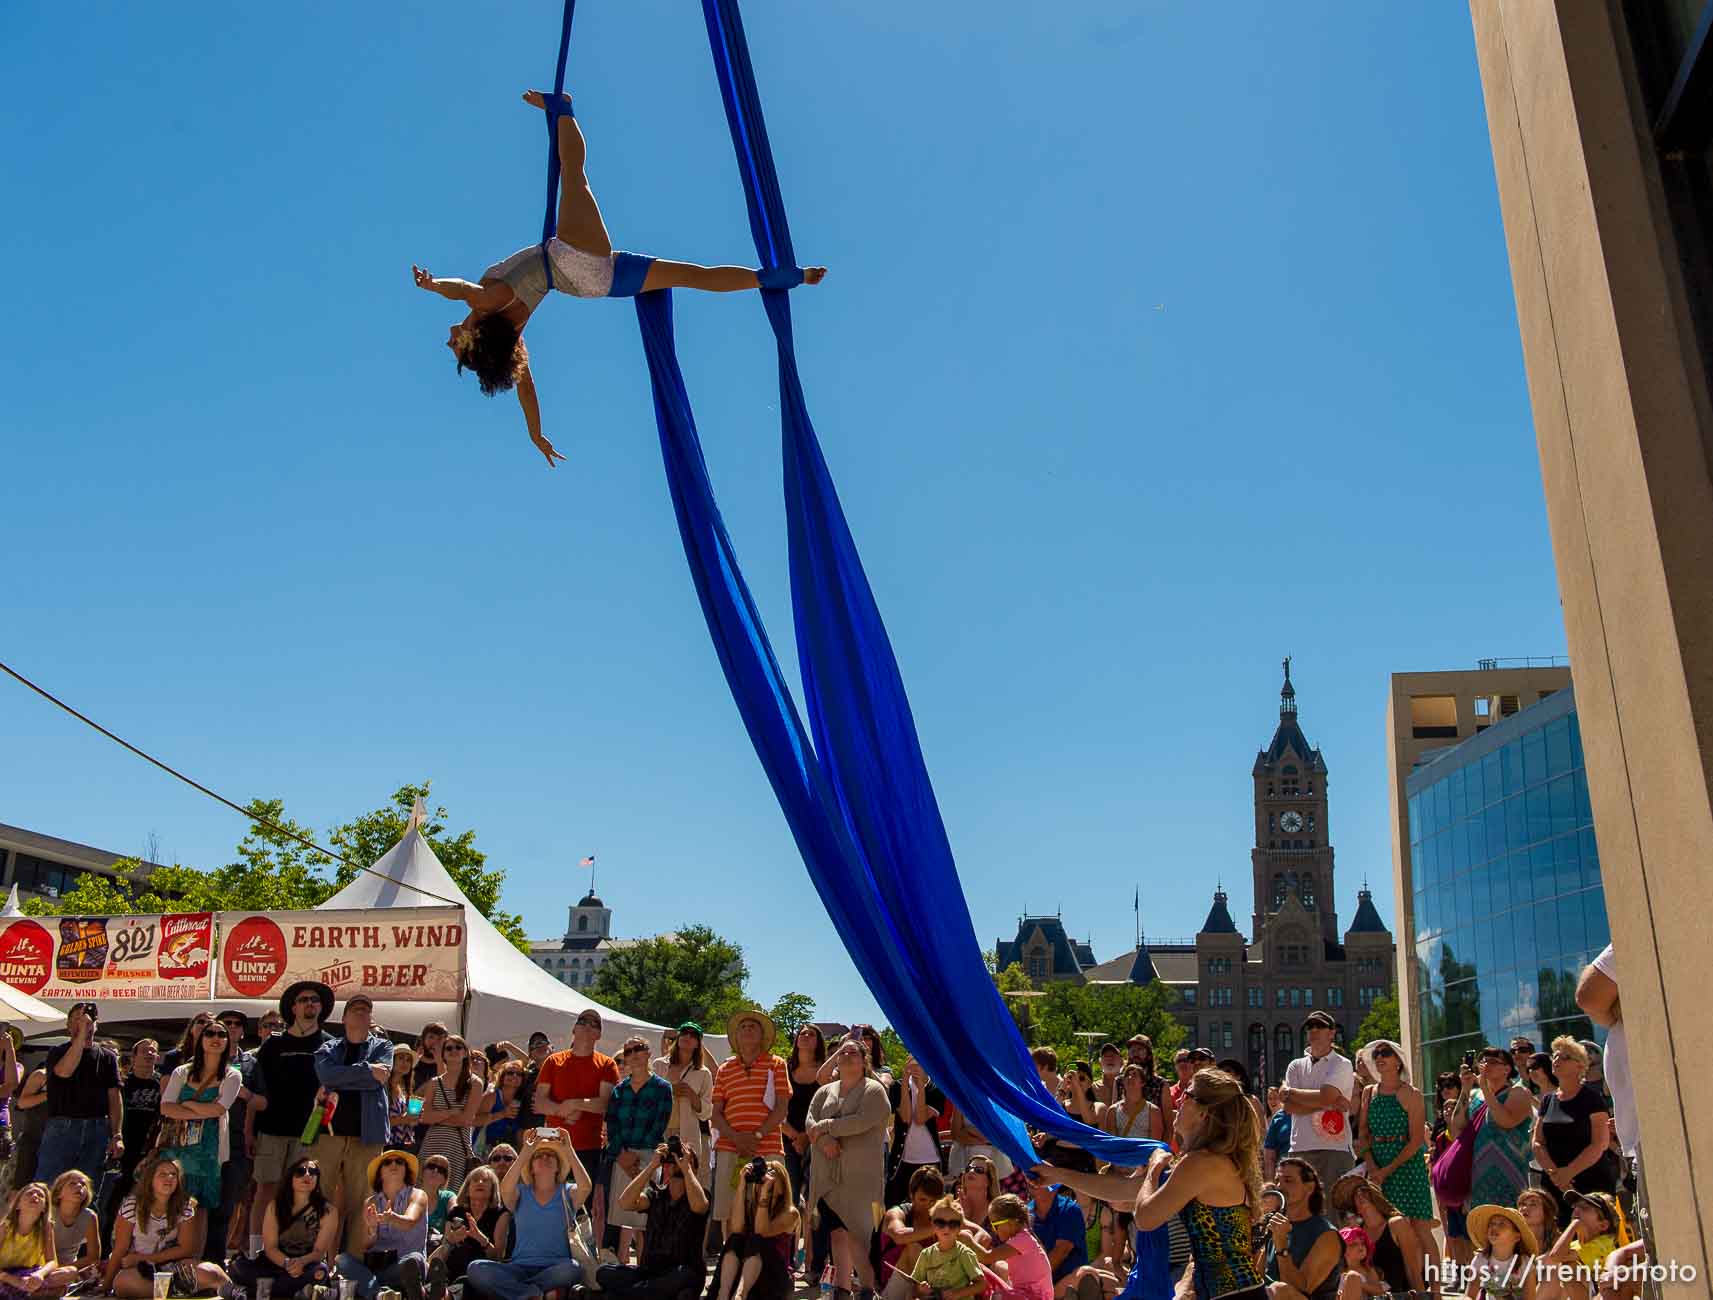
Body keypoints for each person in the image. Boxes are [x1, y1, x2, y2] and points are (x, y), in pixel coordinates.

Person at [412, 90, 828, 467]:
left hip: (592, 285)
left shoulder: (512, 334)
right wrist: (433, 286)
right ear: (477, 337)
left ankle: (777, 278)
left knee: (692, 276)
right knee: (573, 172)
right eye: (456, 346)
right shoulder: (486, 304)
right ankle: (564, 107)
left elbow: (526, 390)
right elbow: (463, 290)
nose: (450, 340)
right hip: (574, 258)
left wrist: (535, 434)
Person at [1038, 1066, 1267, 1300]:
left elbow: (1146, 1218)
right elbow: (1123, 1190)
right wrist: (1058, 1175)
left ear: (1204, 1113)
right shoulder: (1203, 1163)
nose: (1178, 1101)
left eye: (1187, 1095)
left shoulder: (1202, 1163)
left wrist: (1153, 1169)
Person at [250, 980, 337, 1257]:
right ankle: (256, 1253)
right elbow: (256, 1092)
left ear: (321, 1007)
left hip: (311, 1133)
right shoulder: (273, 1044)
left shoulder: (330, 1045)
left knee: (307, 1195)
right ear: (293, 1006)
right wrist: (248, 1131)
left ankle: (303, 1253)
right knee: (266, 1191)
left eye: (314, 999)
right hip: (272, 1129)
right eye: (303, 999)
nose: (309, 1003)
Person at [805, 1036, 891, 1300]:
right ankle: (842, 1290)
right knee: (836, 1233)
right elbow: (810, 1120)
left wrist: (827, 1126)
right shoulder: (824, 1091)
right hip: (826, 1176)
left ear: (864, 1061)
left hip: (860, 1179)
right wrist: (824, 1139)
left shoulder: (874, 1089)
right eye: (843, 1052)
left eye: (854, 1052)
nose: (847, 1055)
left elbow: (864, 1121)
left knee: (858, 1234)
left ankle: (867, 1287)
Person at [313, 994, 399, 1255]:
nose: (362, 1012)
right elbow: (326, 1075)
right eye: (356, 1008)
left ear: (372, 1018)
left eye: (367, 1009)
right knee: (319, 1199)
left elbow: (378, 1080)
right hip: (328, 1133)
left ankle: (352, 1265)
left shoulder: (384, 1047)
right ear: (344, 1018)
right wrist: (366, 1071)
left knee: (362, 1203)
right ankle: (314, 1261)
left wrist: (345, 1077)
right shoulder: (329, 1048)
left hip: (367, 1135)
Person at [465, 1127, 591, 1300]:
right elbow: (505, 1188)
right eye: (538, 1156)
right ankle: (537, 1294)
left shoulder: (567, 1191)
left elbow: (586, 1187)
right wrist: (526, 1150)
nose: (544, 1158)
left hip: (555, 1267)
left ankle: (519, 1293)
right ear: (531, 1168)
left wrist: (568, 1149)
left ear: (558, 1167)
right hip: (518, 1267)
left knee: (573, 1269)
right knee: (476, 1268)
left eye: (550, 1155)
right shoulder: (520, 1192)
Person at [158, 1013, 243, 1253]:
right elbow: (165, 1107)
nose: (215, 1038)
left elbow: (220, 1108)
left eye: (221, 1034)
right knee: (175, 1204)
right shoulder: (182, 1072)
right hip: (178, 1149)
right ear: (199, 1038)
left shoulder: (232, 1075)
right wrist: (203, 1110)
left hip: (211, 1149)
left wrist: (187, 1107)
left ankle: (197, 1260)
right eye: (209, 1033)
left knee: (204, 1207)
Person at [535, 1010, 620, 1249]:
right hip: (554, 1147)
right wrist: (564, 1111)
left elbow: (604, 1103)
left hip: (589, 1148)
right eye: (582, 1021)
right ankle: (548, 1251)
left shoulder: (607, 1064)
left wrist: (574, 1104)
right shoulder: (553, 1061)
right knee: (550, 1202)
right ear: (573, 1029)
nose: (587, 1026)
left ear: (599, 1034)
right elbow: (540, 1102)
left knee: (587, 1209)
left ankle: (587, 1258)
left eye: (594, 1024)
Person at [713, 1010, 791, 1255]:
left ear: (762, 1035)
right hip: (729, 1147)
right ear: (736, 1035)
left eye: (753, 1026)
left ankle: (767, 1260)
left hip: (767, 1147)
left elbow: (781, 1108)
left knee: (769, 1206)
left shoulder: (776, 1064)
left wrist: (755, 1136)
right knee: (728, 1209)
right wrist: (736, 1138)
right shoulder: (725, 1068)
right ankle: (731, 1256)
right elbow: (716, 1113)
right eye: (743, 1026)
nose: (747, 1029)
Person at [104, 1154, 233, 1299]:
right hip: (139, 1270)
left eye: (173, 1174)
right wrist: (106, 1285)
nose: (169, 1178)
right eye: (163, 1174)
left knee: (211, 1273)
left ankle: (234, 1292)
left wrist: (146, 1258)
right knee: (122, 1283)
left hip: (172, 1267)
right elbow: (119, 1250)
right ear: (150, 1180)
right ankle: (180, 1291)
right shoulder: (132, 1206)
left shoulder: (185, 1207)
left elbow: (187, 1249)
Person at [1450, 1048, 1536, 1243]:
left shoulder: (1519, 1092)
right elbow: (1457, 1127)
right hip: (1479, 1176)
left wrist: (1485, 1089)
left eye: (1492, 1061)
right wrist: (1465, 1088)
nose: (1485, 1064)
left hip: (1512, 1174)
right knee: (1483, 1231)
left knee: (1513, 1228)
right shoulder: (1476, 1096)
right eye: (1482, 1060)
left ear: (1507, 1069)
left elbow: (1506, 1120)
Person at [1350, 1041, 1432, 1244]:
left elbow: (1415, 1141)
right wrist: (1372, 1167)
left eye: (1385, 1053)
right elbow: (1363, 1135)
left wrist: (1386, 1170)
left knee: (1420, 1228)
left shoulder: (1413, 1094)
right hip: (1377, 1164)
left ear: (1398, 1062)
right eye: (1376, 1054)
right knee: (1382, 1228)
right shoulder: (1369, 1093)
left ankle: (1433, 1276)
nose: (1379, 1057)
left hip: (1408, 1166)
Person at [34, 1003, 121, 1188]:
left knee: (88, 1189)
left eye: (88, 1021)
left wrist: (116, 1134)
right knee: (49, 1184)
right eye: (76, 1020)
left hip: (96, 1127)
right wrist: (81, 1034)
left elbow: (114, 1097)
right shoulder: (57, 1052)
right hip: (62, 1127)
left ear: (96, 1025)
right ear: (68, 1024)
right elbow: (65, 1071)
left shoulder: (107, 1057)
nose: (83, 1024)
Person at [605, 1037, 675, 1264]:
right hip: (621, 1155)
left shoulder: (663, 1088)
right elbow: (612, 1125)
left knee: (645, 1218)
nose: (633, 1054)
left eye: (638, 1049)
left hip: (648, 1156)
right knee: (623, 1217)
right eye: (628, 1051)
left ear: (648, 1053)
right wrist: (621, 1153)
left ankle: (646, 1266)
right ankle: (623, 1264)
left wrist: (637, 1157)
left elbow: (659, 1124)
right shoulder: (618, 1090)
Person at [229, 1158, 338, 1299]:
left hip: (306, 1264)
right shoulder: (275, 1206)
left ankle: (256, 1291)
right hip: (275, 1262)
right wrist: (288, 1264)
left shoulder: (328, 1211)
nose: (307, 1175)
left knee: (320, 1271)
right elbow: (270, 1248)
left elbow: (319, 1252)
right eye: (300, 1171)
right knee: (239, 1267)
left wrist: (300, 1263)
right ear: (290, 1178)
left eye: (312, 1172)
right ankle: (299, 1292)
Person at [1531, 1039, 1616, 1220]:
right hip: (1555, 1186)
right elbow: (1538, 1142)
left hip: (1590, 1182)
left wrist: (1568, 1173)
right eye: (1555, 1056)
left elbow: (1600, 1143)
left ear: (1580, 1066)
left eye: (1565, 1057)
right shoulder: (1547, 1101)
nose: (1556, 1060)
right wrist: (1556, 1175)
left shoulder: (1592, 1098)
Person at [336, 1148, 430, 1300]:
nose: (393, 1164)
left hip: (403, 1267)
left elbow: (409, 1222)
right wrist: (372, 1228)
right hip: (376, 1268)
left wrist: (391, 1217)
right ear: (380, 1174)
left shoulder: (418, 1195)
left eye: (399, 1162)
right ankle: (381, 1294)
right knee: (342, 1260)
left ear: (406, 1170)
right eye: (387, 1162)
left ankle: (373, 1290)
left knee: (415, 1259)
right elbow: (366, 1245)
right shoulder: (370, 1202)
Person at [1277, 1013, 1355, 1191]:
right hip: (1299, 1147)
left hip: (1334, 1149)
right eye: (1310, 1027)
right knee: (1299, 1213)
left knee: (1334, 1215)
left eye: (1319, 1026)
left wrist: (1290, 1092)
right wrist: (1329, 1102)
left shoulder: (1342, 1063)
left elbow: (1324, 1096)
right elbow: (1289, 1107)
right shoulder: (1295, 1065)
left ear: (1331, 1033)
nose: (1314, 1030)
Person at [711, 1155, 795, 1300]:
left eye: (772, 1175)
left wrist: (765, 1194)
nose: (765, 1180)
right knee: (735, 1239)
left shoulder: (790, 1213)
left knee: (758, 1240)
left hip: (775, 1277)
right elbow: (736, 1228)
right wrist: (742, 1184)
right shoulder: (752, 1206)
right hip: (750, 1275)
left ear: (783, 1187)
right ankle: (723, 1295)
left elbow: (761, 1231)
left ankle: (739, 1295)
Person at [1326, 1176, 1426, 1298]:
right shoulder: (1358, 1232)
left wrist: (1422, 1296)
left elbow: (1412, 1269)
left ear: (1374, 1195)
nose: (1360, 1196)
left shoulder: (1396, 1224)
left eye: (1364, 1191)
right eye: (1355, 1196)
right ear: (1355, 1207)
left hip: (1395, 1294)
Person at [1261, 1156, 1340, 1300]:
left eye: (1288, 1180)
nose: (1279, 1186)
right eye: (1278, 1180)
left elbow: (1300, 1290)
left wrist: (1281, 1245)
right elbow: (1256, 1277)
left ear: (1309, 1188)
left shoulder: (1327, 1235)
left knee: (1279, 1290)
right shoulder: (1274, 1225)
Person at [780, 1024, 825, 1273]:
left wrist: (807, 1138)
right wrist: (795, 1136)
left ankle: (811, 1259)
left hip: (817, 1141)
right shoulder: (784, 1070)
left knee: (813, 1203)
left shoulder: (824, 1073)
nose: (806, 1037)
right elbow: (774, 1107)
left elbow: (828, 1109)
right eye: (802, 1033)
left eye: (811, 1034)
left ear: (818, 1042)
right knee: (789, 1199)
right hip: (787, 1140)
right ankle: (786, 1259)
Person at [416, 1034, 484, 1193]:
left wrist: (437, 1118)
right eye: (449, 1048)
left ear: (465, 1052)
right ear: (443, 1054)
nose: (453, 1051)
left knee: (450, 1194)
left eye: (458, 1047)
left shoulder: (475, 1083)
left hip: (457, 1147)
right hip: (432, 1144)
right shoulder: (434, 1082)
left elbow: (467, 1120)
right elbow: (424, 1117)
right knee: (422, 1191)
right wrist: (452, 1112)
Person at [108, 1040, 163, 1227]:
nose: (149, 1054)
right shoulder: (123, 1083)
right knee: (114, 1198)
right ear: (133, 1056)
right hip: (123, 1147)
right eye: (144, 1051)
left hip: (148, 1150)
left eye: (153, 1051)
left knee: (143, 1200)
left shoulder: (161, 1084)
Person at [429, 1164, 510, 1287]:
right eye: (475, 1180)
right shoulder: (456, 1212)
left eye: (485, 1180)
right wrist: (450, 1241)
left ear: (493, 1189)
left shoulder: (500, 1214)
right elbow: (442, 1252)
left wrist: (481, 1238)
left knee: (465, 1281)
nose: (480, 1182)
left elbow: (498, 1257)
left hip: (480, 1273)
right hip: (452, 1269)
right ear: (467, 1189)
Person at [964, 1193, 1055, 1300]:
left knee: (998, 1297)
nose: (994, 1230)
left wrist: (968, 1239)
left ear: (1012, 1222)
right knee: (979, 1269)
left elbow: (987, 1257)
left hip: (1036, 1297)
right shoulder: (1019, 1239)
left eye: (995, 1225)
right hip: (1020, 1294)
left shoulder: (1023, 1240)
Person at [877, 1167, 946, 1299]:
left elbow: (978, 1233)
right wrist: (940, 1228)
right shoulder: (897, 1213)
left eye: (933, 1201)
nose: (928, 1206)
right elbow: (899, 1236)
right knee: (913, 1248)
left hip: (929, 1286)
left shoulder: (941, 1216)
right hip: (895, 1291)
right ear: (911, 1195)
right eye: (922, 1200)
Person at [886, 1058, 946, 1209]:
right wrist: (905, 1084)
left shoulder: (936, 1088)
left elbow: (920, 1118)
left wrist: (920, 1086)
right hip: (902, 1159)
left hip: (929, 1158)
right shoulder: (897, 1086)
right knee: (895, 1204)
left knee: (931, 1206)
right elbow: (905, 1117)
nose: (915, 1067)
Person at [0, 1181, 75, 1300]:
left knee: (71, 1272)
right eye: (29, 1194)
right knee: (57, 1290)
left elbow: (52, 1262)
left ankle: (24, 1293)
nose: (35, 1196)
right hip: (4, 1275)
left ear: (44, 1208)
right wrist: (13, 1280)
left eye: (40, 1195)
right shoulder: (5, 1226)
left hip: (29, 1275)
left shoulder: (46, 1227)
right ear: (18, 1204)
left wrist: (39, 1275)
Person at [656, 1023, 713, 1178]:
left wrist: (692, 1095)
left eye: (693, 1035)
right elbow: (649, 1099)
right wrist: (669, 1090)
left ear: (698, 1044)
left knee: (685, 1180)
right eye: (684, 1033)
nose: (687, 1037)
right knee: (660, 1179)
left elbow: (707, 1112)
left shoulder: (703, 1073)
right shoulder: (659, 1064)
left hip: (687, 1134)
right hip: (661, 1131)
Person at [902, 1196, 984, 1300]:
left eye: (953, 1224)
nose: (946, 1228)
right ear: (933, 1225)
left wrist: (956, 1294)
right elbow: (914, 1289)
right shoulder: (926, 1254)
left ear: (960, 1228)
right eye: (940, 1223)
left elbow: (981, 1284)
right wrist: (921, 1289)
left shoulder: (964, 1253)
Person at [1024, 1174, 1089, 1299]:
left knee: (1084, 1274)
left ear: (1054, 1185)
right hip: (1038, 1283)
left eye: (1039, 1178)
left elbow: (1061, 1251)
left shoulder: (1070, 1210)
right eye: (1031, 1178)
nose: (1032, 1181)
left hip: (1066, 1280)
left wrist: (1035, 1283)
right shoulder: (1026, 1212)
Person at [1466, 1204, 1539, 1300]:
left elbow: (1530, 1298)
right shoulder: (1481, 1259)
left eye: (1502, 1224)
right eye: (1491, 1224)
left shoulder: (1525, 1263)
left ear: (1516, 1237)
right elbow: (1469, 1295)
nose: (1494, 1227)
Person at [47, 1170, 101, 1278]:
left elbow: (93, 1257)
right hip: (42, 1264)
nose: (79, 1186)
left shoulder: (89, 1217)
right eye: (72, 1183)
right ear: (59, 1193)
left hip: (68, 1267)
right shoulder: (47, 1212)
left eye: (83, 1184)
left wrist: (64, 1269)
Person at [480, 1059, 528, 1157]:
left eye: (519, 1074)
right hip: (488, 1149)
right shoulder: (492, 1095)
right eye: (510, 1073)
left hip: (513, 1151)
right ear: (502, 1076)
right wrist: (502, 1114)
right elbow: (474, 1120)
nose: (514, 1076)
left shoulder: (522, 1100)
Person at [160, 1014, 213, 1078]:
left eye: (210, 1023)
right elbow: (165, 1086)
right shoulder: (174, 1056)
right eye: (201, 1022)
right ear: (191, 1029)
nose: (205, 1025)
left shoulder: (218, 1056)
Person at [388, 1045, 421, 1149]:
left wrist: (413, 1117)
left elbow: (407, 1120)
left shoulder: (404, 1089)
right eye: (401, 1058)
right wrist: (403, 1119)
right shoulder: (383, 1085)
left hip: (401, 1144)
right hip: (385, 1143)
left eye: (408, 1060)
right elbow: (377, 1121)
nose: (405, 1063)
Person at [413, 1025, 449, 1093]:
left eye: (440, 1038)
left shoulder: (450, 1065)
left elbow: (446, 1085)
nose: (435, 1042)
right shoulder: (410, 1060)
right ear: (423, 1039)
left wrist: (439, 1060)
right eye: (431, 1037)